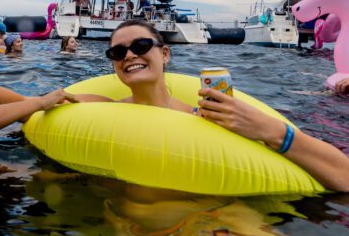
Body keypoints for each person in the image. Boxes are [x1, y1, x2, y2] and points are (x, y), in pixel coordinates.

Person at [72, 19, 349, 191]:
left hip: (215, 221)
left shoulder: (208, 116)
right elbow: (37, 104)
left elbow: (344, 177)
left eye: (142, 45)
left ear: (165, 54)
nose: (130, 55)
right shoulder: (104, 107)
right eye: (118, 52)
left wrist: (269, 130)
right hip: (139, 223)